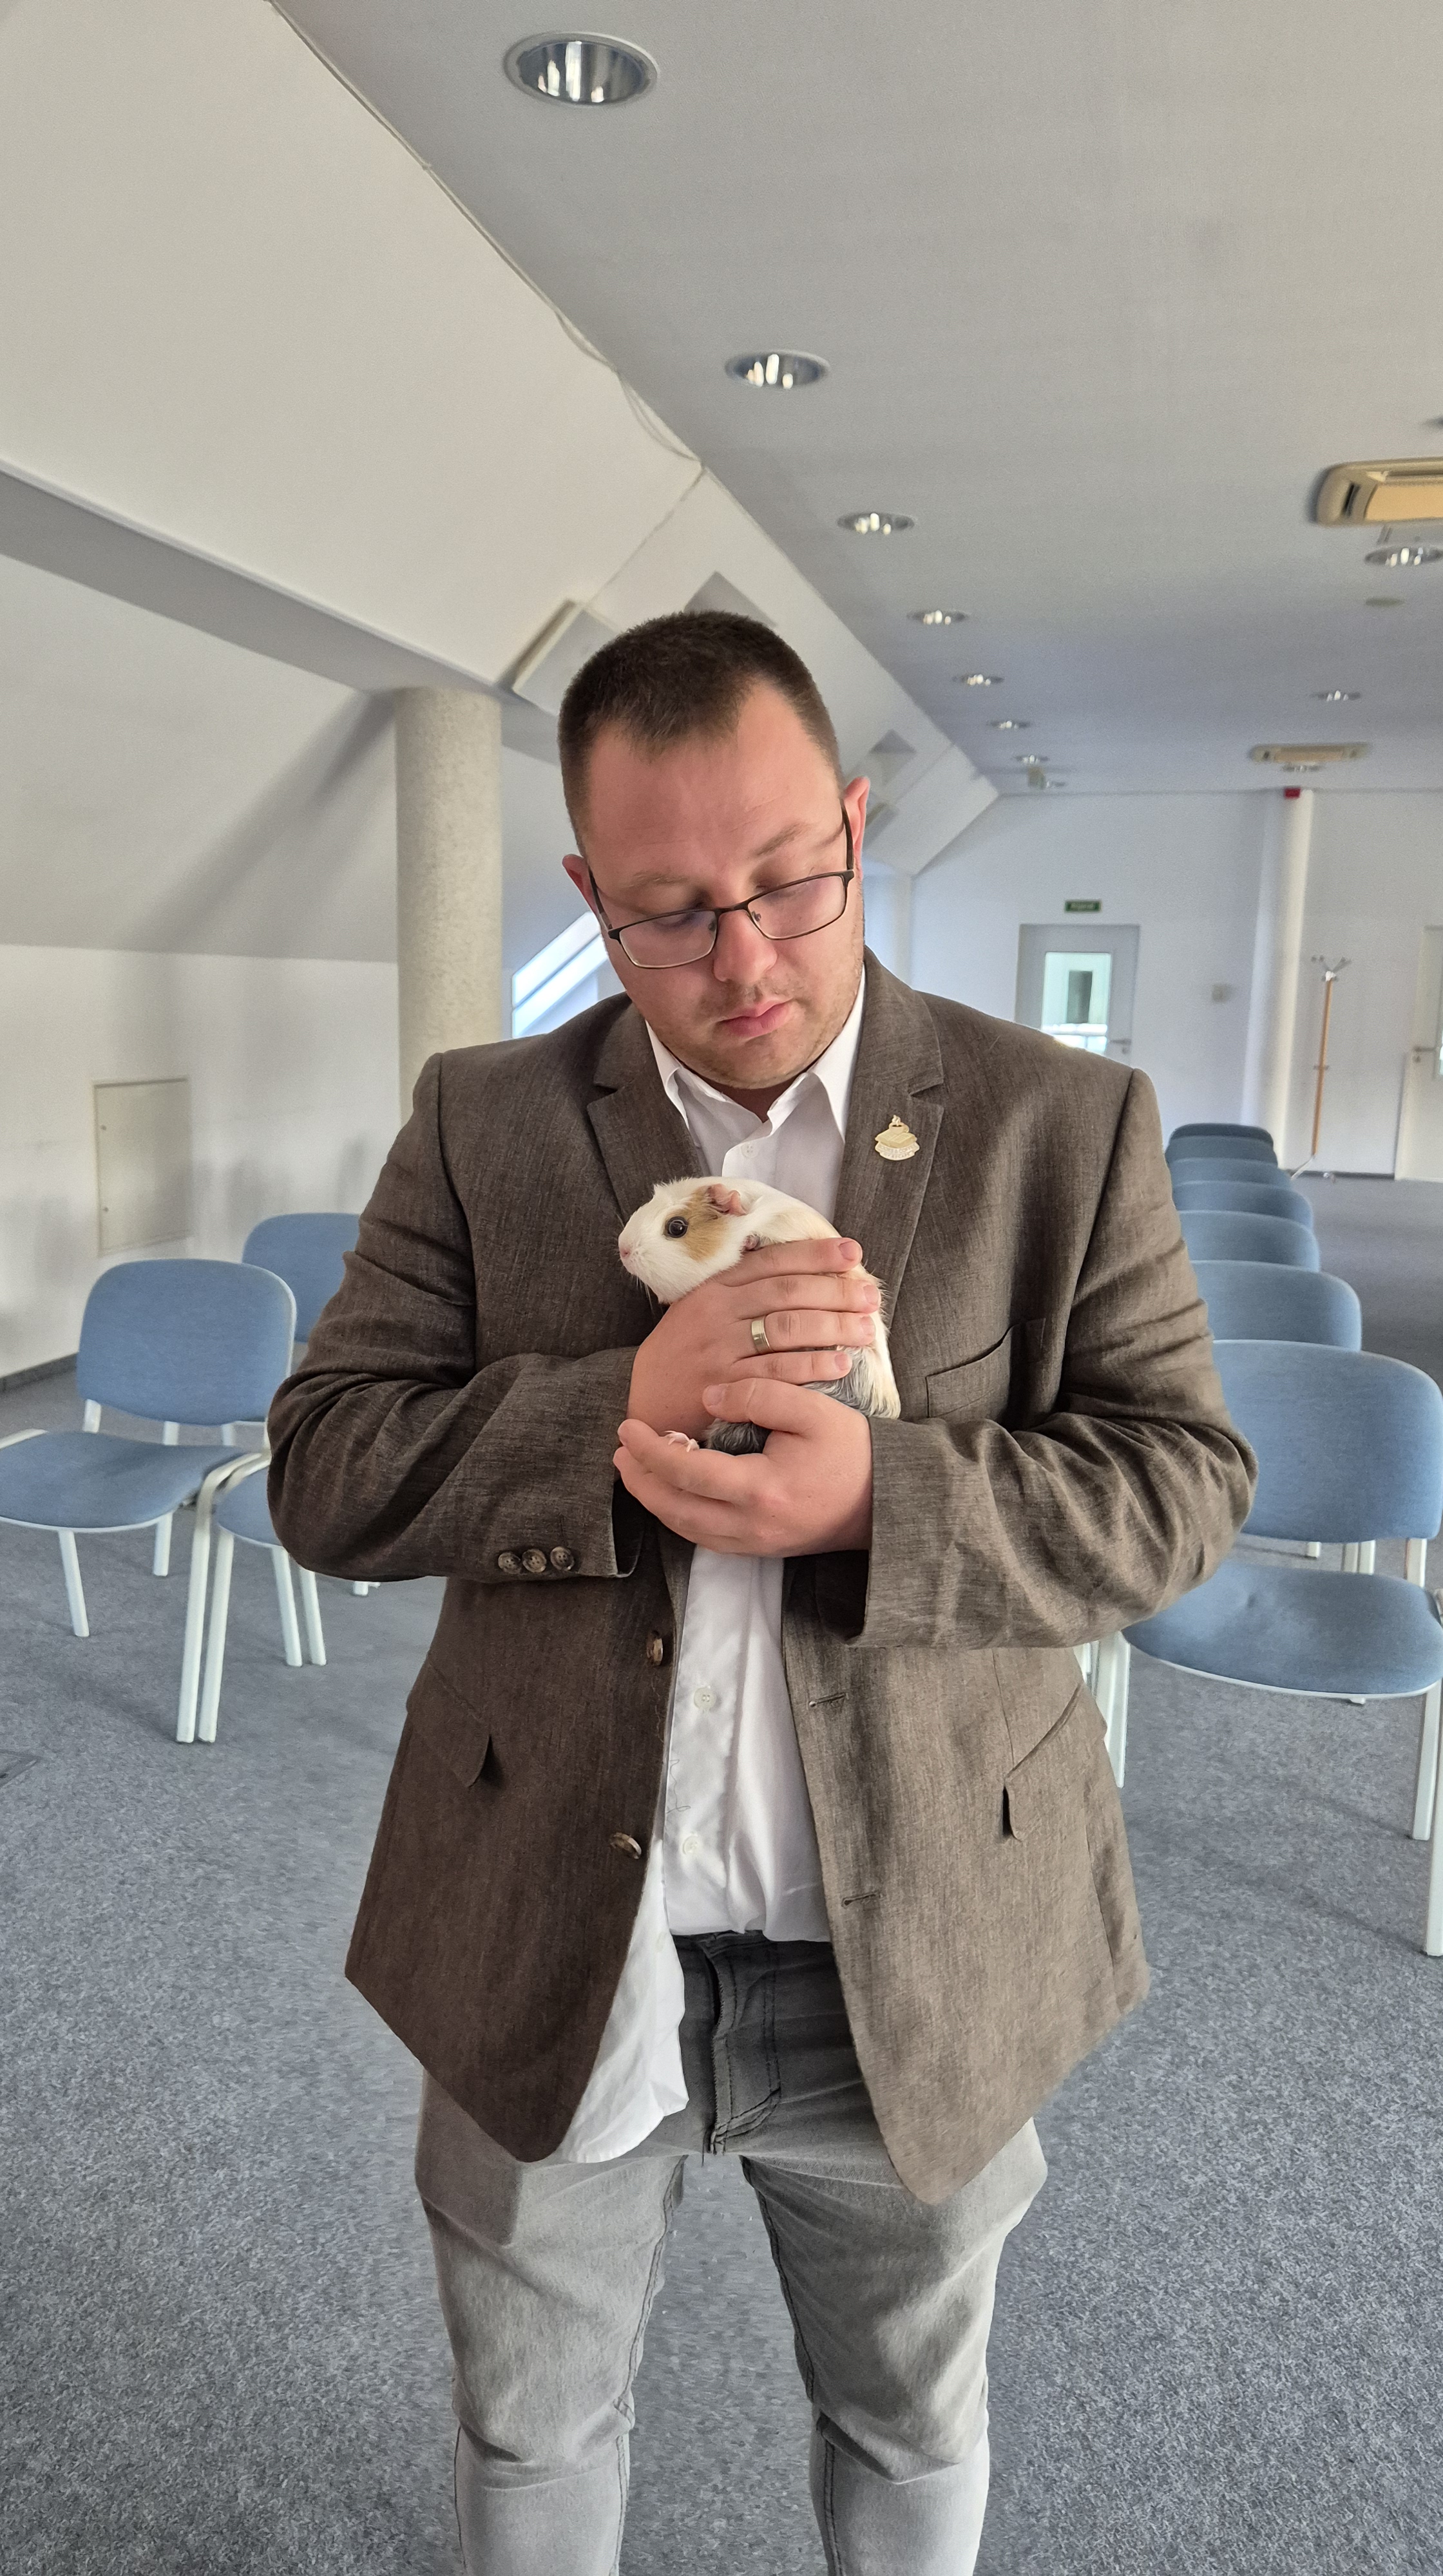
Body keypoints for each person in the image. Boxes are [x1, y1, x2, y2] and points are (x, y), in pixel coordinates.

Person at [268, 611, 1254, 2575]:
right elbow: (328, 1467)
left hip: (922, 1935)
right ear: (588, 897)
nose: (744, 959)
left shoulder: (1061, 1125)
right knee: (530, 2430)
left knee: (906, 2419)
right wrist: (611, 1407)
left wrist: (885, 1499)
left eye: (793, 882)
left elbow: (1179, 1491)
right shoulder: (482, 1122)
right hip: (552, 1918)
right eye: (668, 912)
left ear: (859, 829)